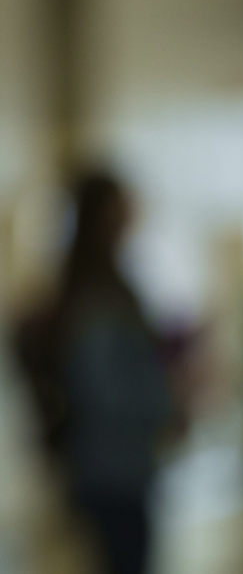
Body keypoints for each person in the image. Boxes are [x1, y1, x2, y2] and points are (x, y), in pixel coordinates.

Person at [14, 172, 173, 574]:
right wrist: (167, 402)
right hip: (110, 463)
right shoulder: (98, 296)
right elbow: (105, 389)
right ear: (106, 214)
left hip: (108, 461)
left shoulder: (95, 284)